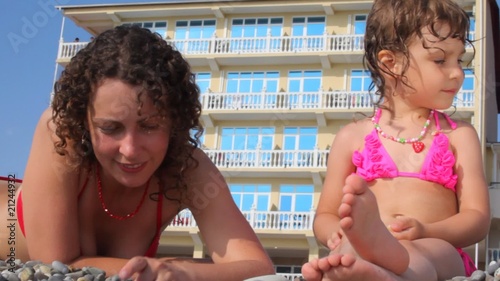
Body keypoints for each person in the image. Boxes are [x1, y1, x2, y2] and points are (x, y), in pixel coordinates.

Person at [0, 25, 275, 280]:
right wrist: (179, 268)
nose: (130, 150)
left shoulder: (187, 167)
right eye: (110, 128)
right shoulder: (61, 134)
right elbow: (55, 264)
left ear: (175, 121)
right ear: (82, 120)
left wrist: (182, 272)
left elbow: (257, 268)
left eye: (149, 126)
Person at [301, 0, 491, 280]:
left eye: (459, 60)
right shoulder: (352, 137)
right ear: (390, 63)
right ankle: (362, 270)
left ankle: (389, 274)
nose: (457, 73)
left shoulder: (459, 136)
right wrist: (338, 232)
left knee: (423, 255)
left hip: (438, 250)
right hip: (367, 248)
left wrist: (426, 231)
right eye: (440, 60)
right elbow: (326, 216)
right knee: (349, 248)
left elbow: (477, 219)